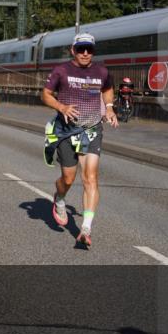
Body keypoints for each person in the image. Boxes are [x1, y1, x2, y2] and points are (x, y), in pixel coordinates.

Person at [41, 32, 118, 249]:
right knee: (67, 178)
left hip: (92, 129)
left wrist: (109, 108)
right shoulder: (61, 71)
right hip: (67, 130)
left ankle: (86, 228)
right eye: (81, 49)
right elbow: (45, 94)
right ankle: (60, 199)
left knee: (90, 178)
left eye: (89, 49)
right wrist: (61, 107)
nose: (85, 53)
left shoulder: (101, 71)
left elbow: (108, 89)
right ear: (73, 50)